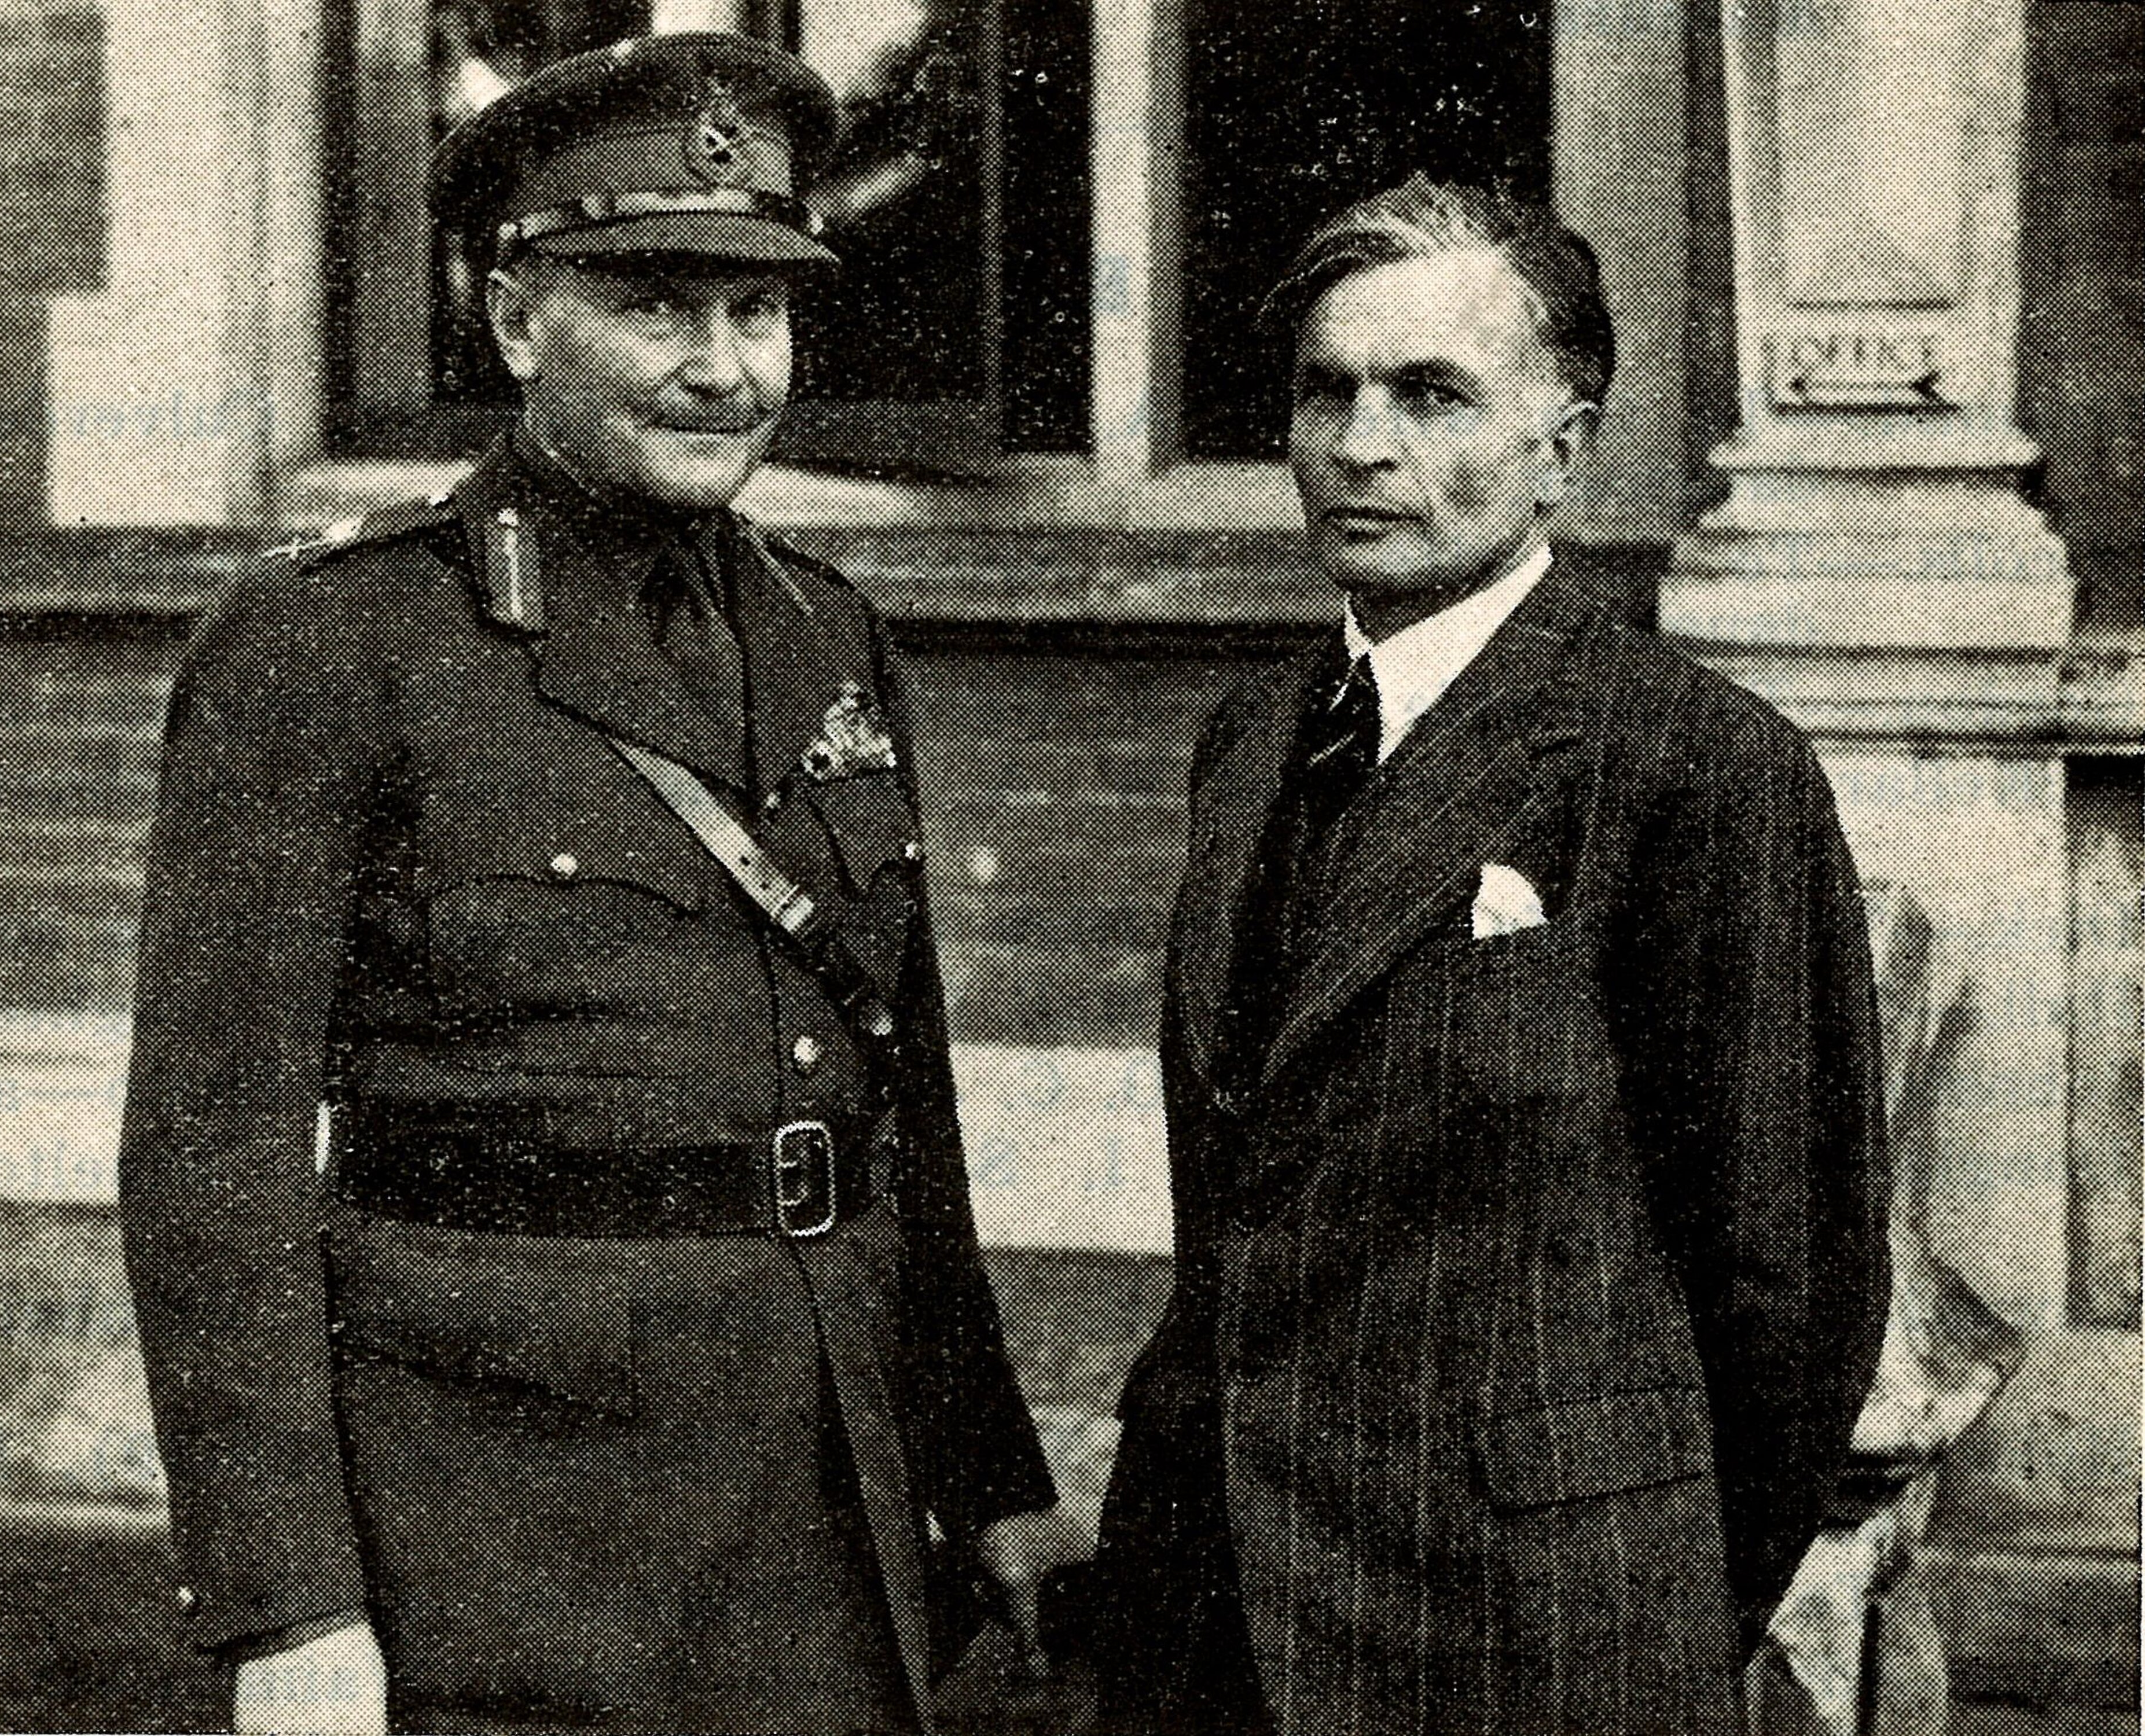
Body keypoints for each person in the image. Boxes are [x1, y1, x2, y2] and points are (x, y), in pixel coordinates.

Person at [117, 32, 1083, 1735]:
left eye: (760, 311)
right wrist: (287, 1612)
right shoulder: (333, 646)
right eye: (656, 305)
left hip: (821, 1505)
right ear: (512, 322)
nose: (724, 369)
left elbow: (898, 1104)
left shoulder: (826, 633)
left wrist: (988, 1470)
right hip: (509, 1527)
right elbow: (214, 1160)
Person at [1092, 176, 1890, 1736]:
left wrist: (1639, 1615)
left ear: (1563, 452)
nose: (1362, 444)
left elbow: (1790, 1284)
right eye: (1328, 390)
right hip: (1219, 1620)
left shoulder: (1693, 766)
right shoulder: (1255, 741)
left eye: (1433, 394)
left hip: (1525, 1637)